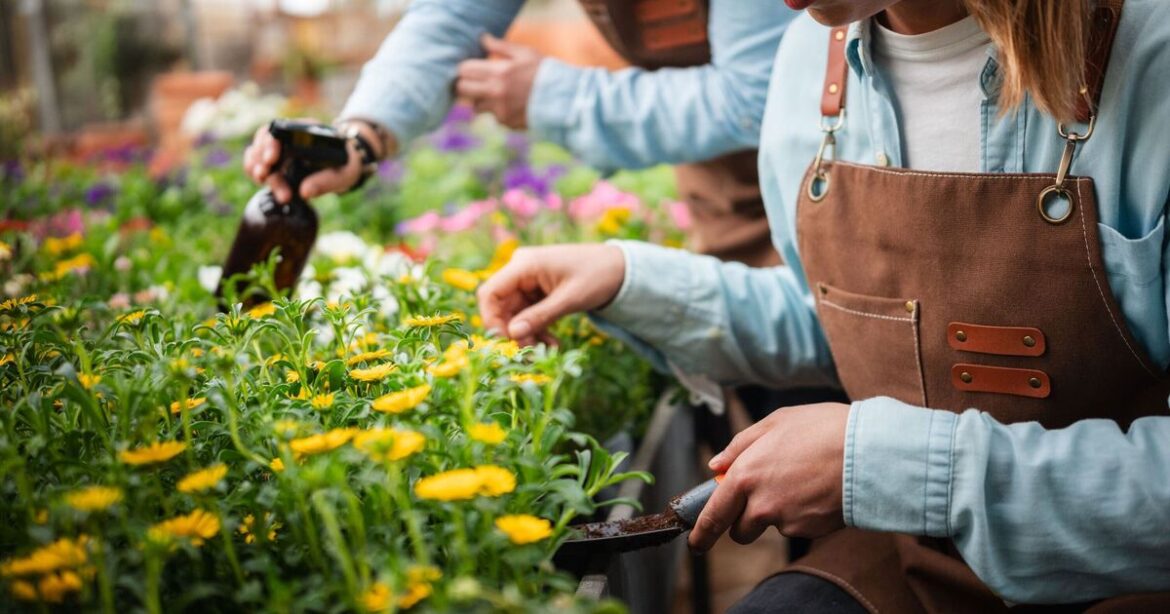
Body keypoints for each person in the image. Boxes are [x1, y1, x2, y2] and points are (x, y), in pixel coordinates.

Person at [477, 0, 1170, 610]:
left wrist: (877, 465)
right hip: (914, 561)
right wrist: (628, 277)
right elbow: (847, 321)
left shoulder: (1153, 56)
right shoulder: (812, 52)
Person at [243, 0, 793, 273]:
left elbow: (757, 96)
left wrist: (553, 97)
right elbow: (451, 17)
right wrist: (358, 139)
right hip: (726, 204)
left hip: (823, 176)